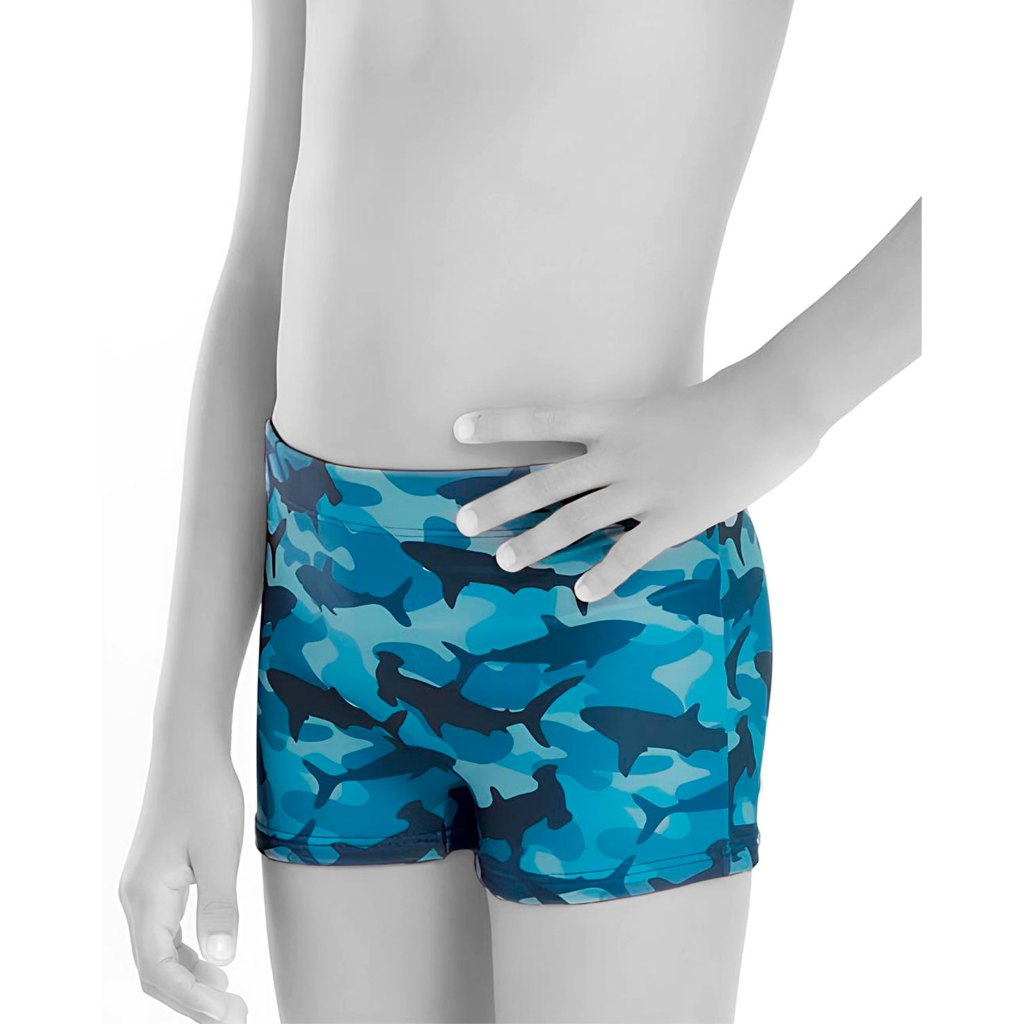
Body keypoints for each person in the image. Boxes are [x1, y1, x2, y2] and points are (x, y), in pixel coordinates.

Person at [117, 2, 921, 1022]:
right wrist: (186, 724)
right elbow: (261, 266)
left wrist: (783, 401)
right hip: (323, 614)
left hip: (604, 610)